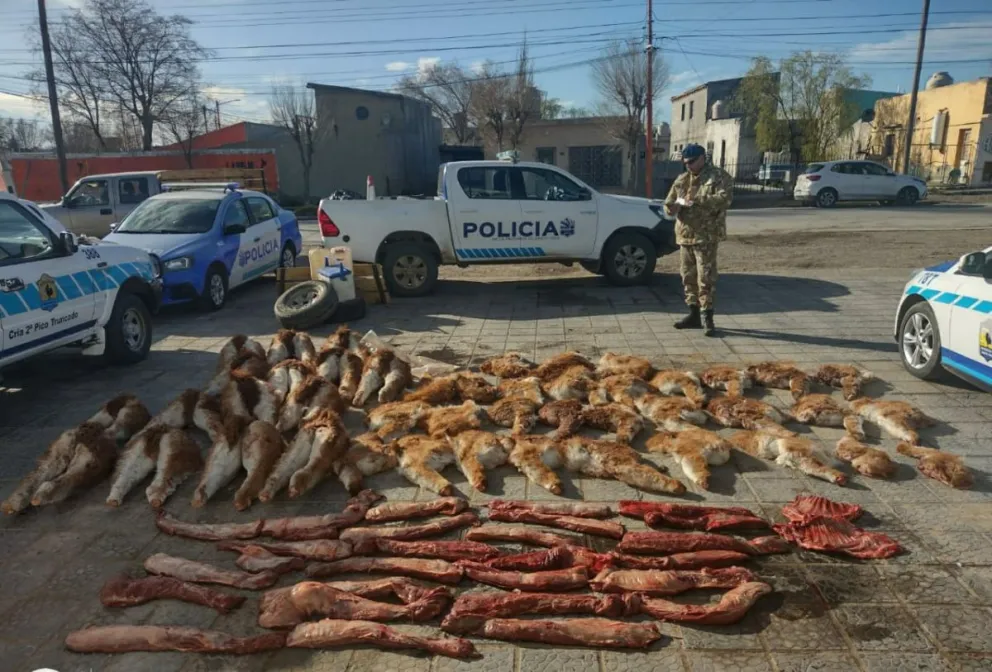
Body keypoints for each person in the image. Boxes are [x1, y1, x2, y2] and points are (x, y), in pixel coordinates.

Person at [663, 143, 734, 337]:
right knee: (688, 276)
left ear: (703, 158)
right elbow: (668, 205)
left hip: (707, 236)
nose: (689, 166)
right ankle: (693, 313)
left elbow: (725, 199)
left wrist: (697, 199)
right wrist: (676, 205)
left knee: (706, 277)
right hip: (685, 235)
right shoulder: (682, 180)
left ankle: (707, 316)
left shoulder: (718, 176)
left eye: (692, 162)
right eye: (686, 162)